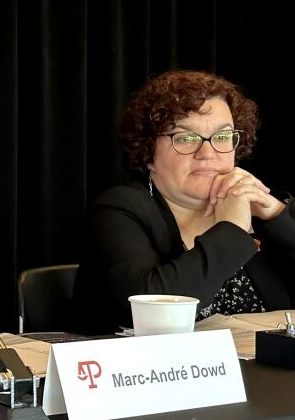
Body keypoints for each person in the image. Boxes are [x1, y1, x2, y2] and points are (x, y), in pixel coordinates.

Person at [71, 70, 295, 334]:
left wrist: (277, 216)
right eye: (186, 139)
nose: (208, 153)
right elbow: (151, 310)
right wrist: (232, 229)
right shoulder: (117, 211)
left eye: (222, 137)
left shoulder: (255, 209)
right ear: (147, 153)